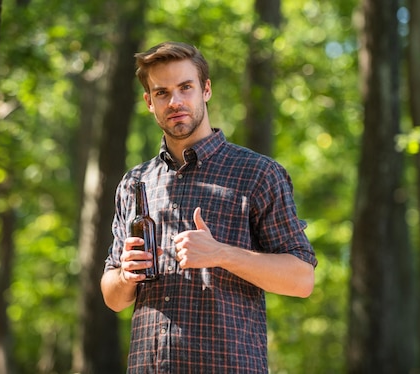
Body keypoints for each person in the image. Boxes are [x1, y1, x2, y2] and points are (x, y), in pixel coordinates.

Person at [100, 41, 317, 373]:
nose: (175, 102)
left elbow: (302, 279)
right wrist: (127, 276)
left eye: (185, 87)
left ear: (206, 89)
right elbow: (113, 298)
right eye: (162, 93)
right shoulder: (135, 183)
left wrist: (222, 254)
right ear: (149, 102)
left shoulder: (258, 173)